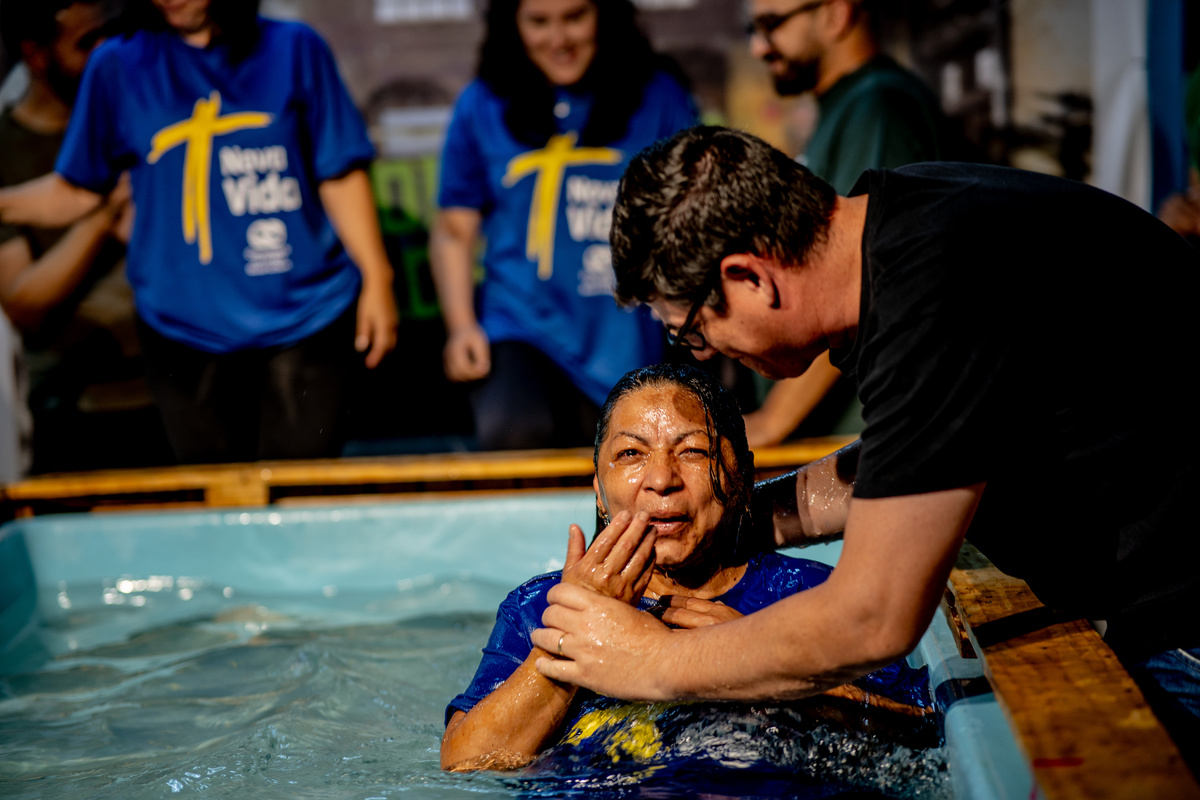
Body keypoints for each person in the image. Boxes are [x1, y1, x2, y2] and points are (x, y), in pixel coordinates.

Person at [530, 127, 1200, 771]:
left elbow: (873, 619)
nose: (706, 354)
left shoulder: (937, 292)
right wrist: (733, 520)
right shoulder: (908, 223)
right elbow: (917, 455)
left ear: (750, 278)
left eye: (692, 333)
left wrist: (649, 662)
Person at [442, 363, 932, 774]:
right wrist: (569, 637)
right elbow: (465, 764)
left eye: (693, 451)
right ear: (597, 488)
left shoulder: (810, 597)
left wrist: (764, 664)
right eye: (631, 453)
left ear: (741, 474)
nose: (661, 479)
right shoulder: (538, 608)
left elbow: (923, 732)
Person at [0, 0, 398, 464]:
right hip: (182, 330)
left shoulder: (294, 49)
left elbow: (339, 172)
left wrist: (377, 278)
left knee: (298, 496)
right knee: (214, 504)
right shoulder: (119, 63)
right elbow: (80, 188)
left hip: (305, 314)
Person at [430, 0, 696, 451]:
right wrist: (461, 327)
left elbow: (689, 221)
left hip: (626, 337)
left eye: (575, 17)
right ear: (512, 25)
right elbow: (455, 229)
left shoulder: (659, 97)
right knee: (515, 436)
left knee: (632, 462)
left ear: (605, 16)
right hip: (521, 328)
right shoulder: (482, 104)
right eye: (539, 22)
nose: (559, 39)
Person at [742, 0, 951, 448]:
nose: (759, 46)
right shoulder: (851, 105)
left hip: (876, 445)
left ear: (836, 13)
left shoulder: (879, 104)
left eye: (773, 24)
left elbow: (865, 275)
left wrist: (771, 422)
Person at [0, 0, 155, 474]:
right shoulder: (8, 150)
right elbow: (21, 302)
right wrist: (101, 214)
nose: (106, 51)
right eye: (86, 42)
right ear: (36, 54)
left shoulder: (142, 120)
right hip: (73, 408)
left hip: (172, 387)